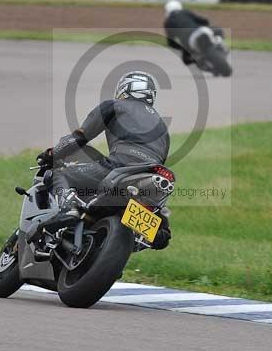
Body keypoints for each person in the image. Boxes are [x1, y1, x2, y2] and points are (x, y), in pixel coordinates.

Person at [37, 71, 172, 249]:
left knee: (59, 174)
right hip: (150, 178)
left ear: (123, 88)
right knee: (159, 232)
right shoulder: (163, 128)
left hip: (119, 167)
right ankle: (154, 232)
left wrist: (52, 154)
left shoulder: (115, 105)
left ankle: (68, 208)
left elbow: (79, 138)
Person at [163, 0, 224, 66]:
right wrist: (206, 24)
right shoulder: (185, 12)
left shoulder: (168, 22)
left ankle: (199, 60)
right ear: (179, 7)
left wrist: (182, 48)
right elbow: (203, 20)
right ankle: (219, 43)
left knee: (186, 60)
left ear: (167, 10)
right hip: (200, 31)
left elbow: (171, 43)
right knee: (218, 30)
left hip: (187, 42)